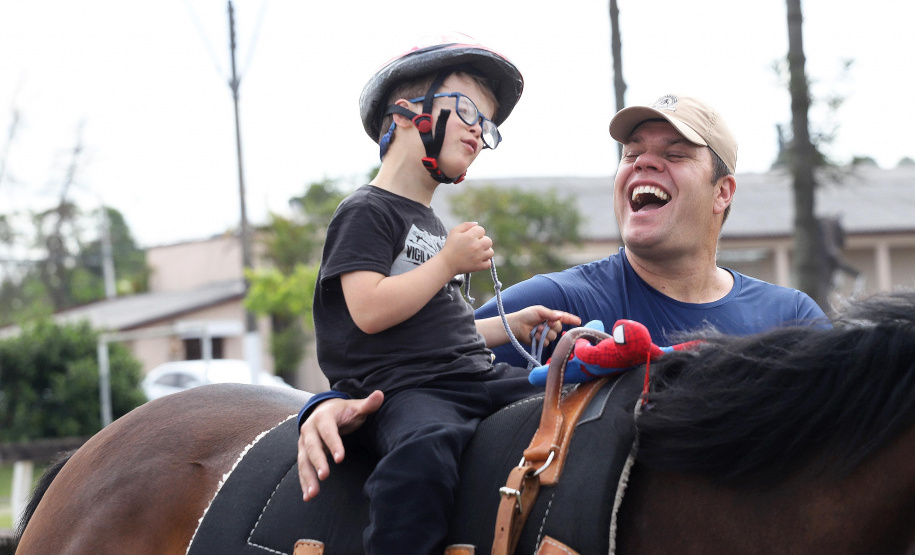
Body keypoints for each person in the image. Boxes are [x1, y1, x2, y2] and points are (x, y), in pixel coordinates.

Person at [296, 92, 828, 534]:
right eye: (631, 153)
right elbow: (426, 361)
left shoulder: (791, 321)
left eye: (676, 152)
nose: (643, 161)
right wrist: (331, 402)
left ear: (723, 193)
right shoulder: (556, 303)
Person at [298, 34, 580, 554]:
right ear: (406, 115)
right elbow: (368, 310)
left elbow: (434, 326)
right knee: (421, 455)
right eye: (469, 109)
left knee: (573, 405)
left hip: (471, 374)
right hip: (407, 390)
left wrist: (509, 324)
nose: (480, 129)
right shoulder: (366, 210)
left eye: (488, 124)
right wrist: (448, 262)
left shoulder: (428, 221)